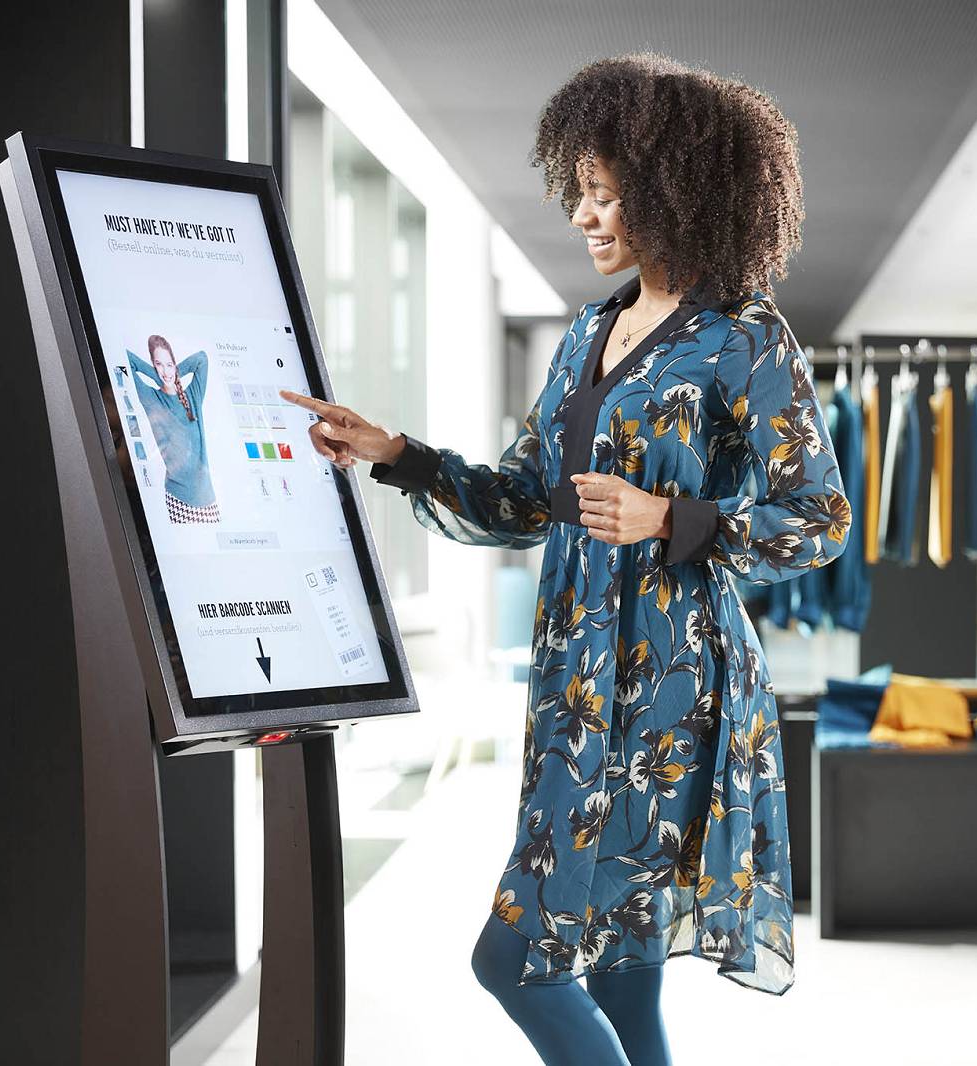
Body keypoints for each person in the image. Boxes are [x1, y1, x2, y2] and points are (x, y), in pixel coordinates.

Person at [283, 53, 845, 1065]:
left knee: (513, 961)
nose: (582, 216)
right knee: (618, 968)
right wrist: (396, 454)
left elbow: (819, 519)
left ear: (671, 189)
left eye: (603, 194)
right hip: (574, 684)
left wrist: (669, 515)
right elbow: (524, 500)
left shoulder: (744, 335)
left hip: (672, 689)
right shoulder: (587, 332)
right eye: (577, 192)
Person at [128, 335, 220, 524]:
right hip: (179, 500)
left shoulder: (193, 395)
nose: (165, 370)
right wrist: (158, 376)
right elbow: (127, 359)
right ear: (153, 365)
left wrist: (173, 374)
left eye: (169, 364)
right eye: (158, 364)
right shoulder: (151, 398)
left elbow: (201, 359)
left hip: (209, 499)